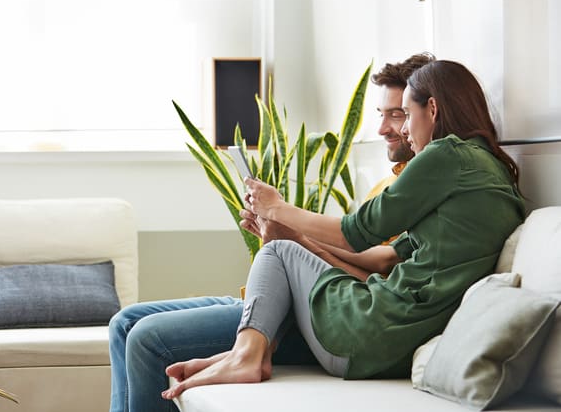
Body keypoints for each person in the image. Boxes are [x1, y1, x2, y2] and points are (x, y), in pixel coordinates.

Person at [161, 59, 525, 400]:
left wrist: (277, 208)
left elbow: (357, 232)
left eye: (405, 115)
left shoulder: (447, 155)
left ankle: (245, 356)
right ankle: (247, 353)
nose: (402, 130)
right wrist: (298, 238)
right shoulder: (489, 172)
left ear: (432, 109)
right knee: (285, 248)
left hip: (375, 332)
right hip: (397, 342)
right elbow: (382, 259)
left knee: (276, 252)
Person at [108, 53, 435, 412]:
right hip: (290, 295)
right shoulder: (387, 187)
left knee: (146, 338)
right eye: (381, 114)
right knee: (124, 321)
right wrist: (282, 238)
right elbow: (351, 257)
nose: (384, 128)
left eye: (397, 114)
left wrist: (293, 240)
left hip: (322, 313)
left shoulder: (421, 198)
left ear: (429, 112)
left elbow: (370, 286)